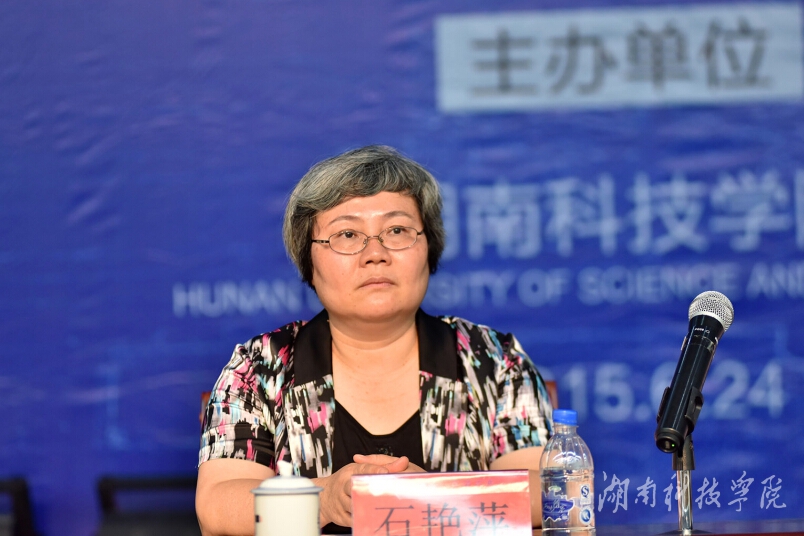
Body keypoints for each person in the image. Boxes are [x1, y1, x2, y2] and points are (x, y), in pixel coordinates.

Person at [196, 145, 554, 535]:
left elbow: (550, 494)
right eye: (347, 234)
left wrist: (434, 497)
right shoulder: (261, 367)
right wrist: (323, 498)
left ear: (429, 247)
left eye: (397, 230)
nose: (375, 254)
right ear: (308, 260)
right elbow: (217, 504)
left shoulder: (493, 360)